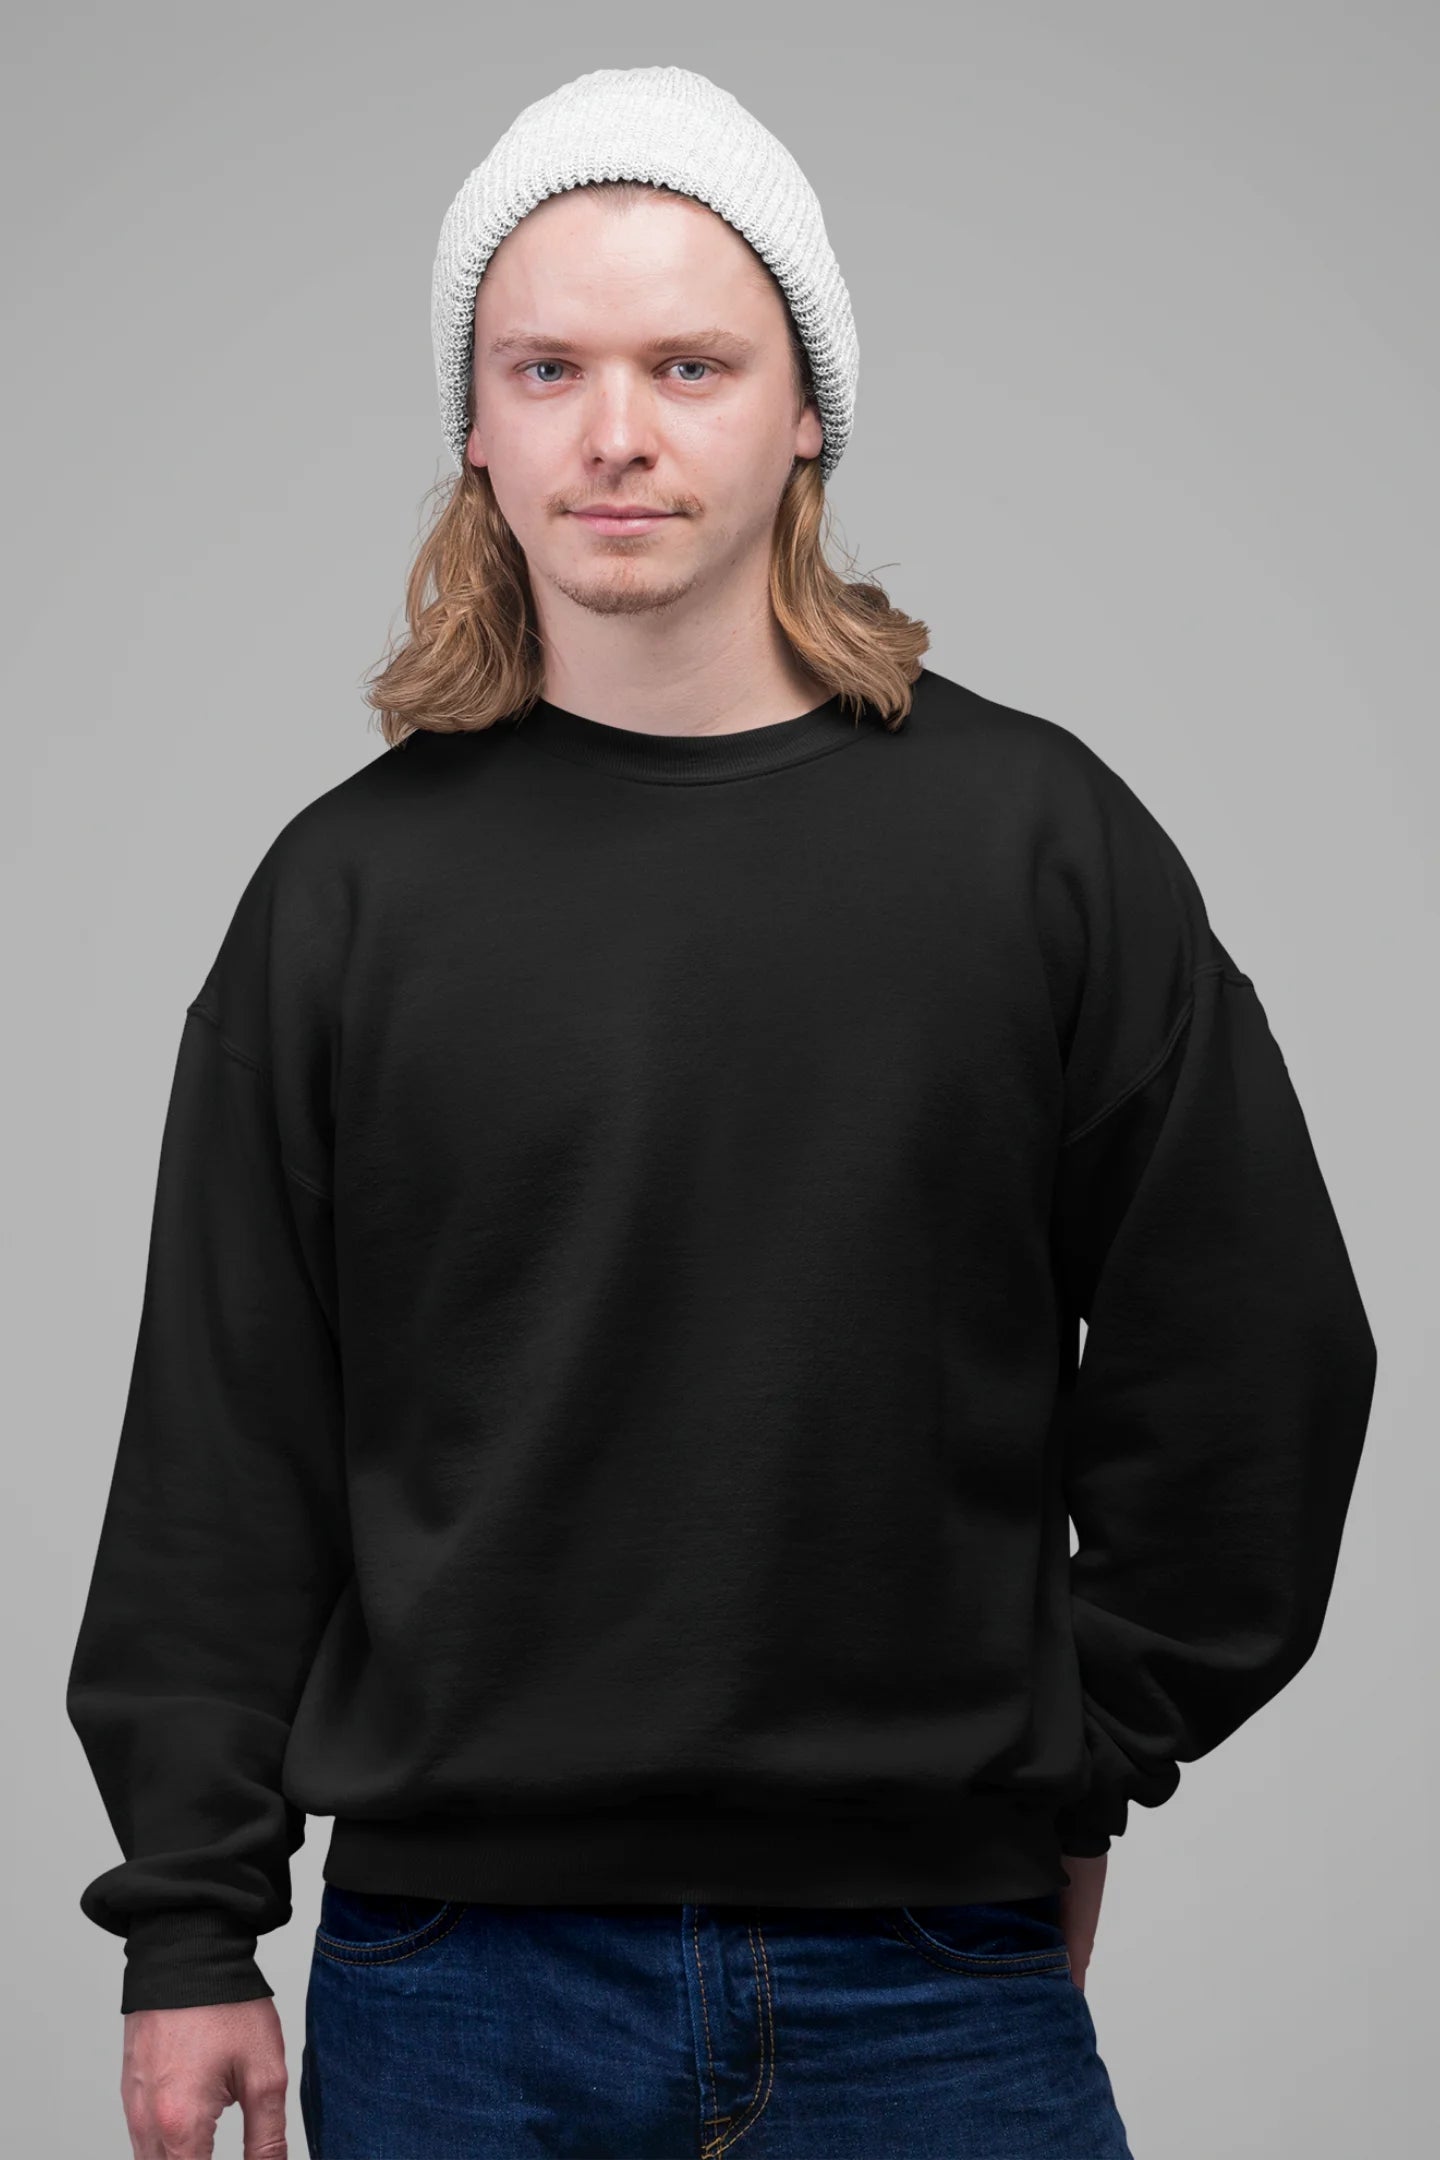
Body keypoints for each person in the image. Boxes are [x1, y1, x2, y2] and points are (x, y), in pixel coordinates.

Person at [65, 62, 1377, 2160]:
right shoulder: (346, 897)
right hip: (453, 1988)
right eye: (547, 365)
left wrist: (1075, 1746)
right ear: (473, 425)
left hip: (931, 1980)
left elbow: (1261, 1361)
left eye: (692, 361)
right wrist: (192, 1929)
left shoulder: (1037, 846)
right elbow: (226, 1450)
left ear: (807, 409)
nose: (616, 431)